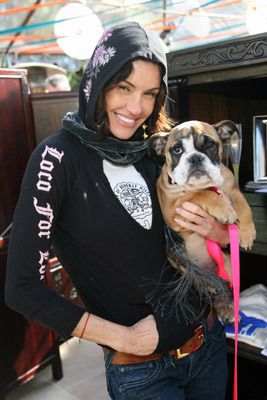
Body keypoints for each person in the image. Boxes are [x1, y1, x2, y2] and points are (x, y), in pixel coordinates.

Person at [5, 22, 230, 399]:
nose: (135, 107)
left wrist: (221, 235)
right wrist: (125, 338)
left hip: (208, 345)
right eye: (123, 87)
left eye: (149, 93)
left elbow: (202, 240)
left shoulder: (159, 150)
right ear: (98, 80)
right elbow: (21, 289)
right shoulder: (57, 158)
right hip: (144, 374)